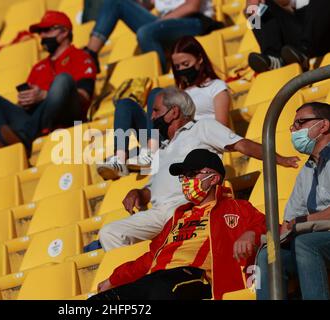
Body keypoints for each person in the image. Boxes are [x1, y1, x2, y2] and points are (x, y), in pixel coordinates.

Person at [97, 86, 299, 252]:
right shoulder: (161, 149)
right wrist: (138, 193)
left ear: (174, 111)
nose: (152, 116)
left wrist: (280, 159)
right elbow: (151, 189)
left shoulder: (203, 127)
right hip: (158, 213)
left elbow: (241, 145)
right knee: (110, 233)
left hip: (189, 206)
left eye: (156, 110)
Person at [90, 149, 266, 300]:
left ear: (213, 178)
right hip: (158, 279)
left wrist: (250, 234)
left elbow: (269, 226)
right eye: (184, 176)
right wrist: (114, 279)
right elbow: (150, 258)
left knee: (160, 289)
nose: (186, 181)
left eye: (192, 174)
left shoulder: (236, 207)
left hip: (195, 277)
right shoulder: (178, 216)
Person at [97, 36, 231, 180]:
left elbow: (221, 128)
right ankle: (120, 159)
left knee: (157, 94)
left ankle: (151, 152)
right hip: (166, 136)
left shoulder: (216, 87)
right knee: (125, 104)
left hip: (192, 141)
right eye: (177, 67)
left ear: (199, 59)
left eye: (186, 64)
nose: (182, 70)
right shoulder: (179, 91)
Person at [0, 11, 97, 156]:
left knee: (62, 80)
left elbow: (84, 97)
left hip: (68, 116)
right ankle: (16, 138)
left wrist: (45, 96)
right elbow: (27, 105)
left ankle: (18, 139)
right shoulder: (38, 67)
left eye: (47, 30)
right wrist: (25, 101)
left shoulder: (81, 57)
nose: (42, 36)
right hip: (36, 119)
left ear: (64, 32)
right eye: (40, 32)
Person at [257, 102, 330, 300]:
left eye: (300, 123)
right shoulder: (306, 171)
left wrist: (303, 221)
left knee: (306, 244)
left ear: (323, 126)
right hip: (315, 237)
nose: (294, 130)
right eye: (293, 126)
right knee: (269, 254)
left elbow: (298, 221)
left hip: (314, 239)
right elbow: (289, 222)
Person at [85, 0, 223, 73]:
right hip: (165, 24)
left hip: (195, 21)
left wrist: (162, 22)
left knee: (146, 32)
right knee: (116, 2)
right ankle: (89, 55)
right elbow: (147, 5)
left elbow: (192, 6)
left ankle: (160, 75)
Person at [246, 0, 330, 73]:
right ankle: (273, 58)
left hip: (322, 33)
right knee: (253, 7)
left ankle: (304, 52)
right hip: (295, 41)